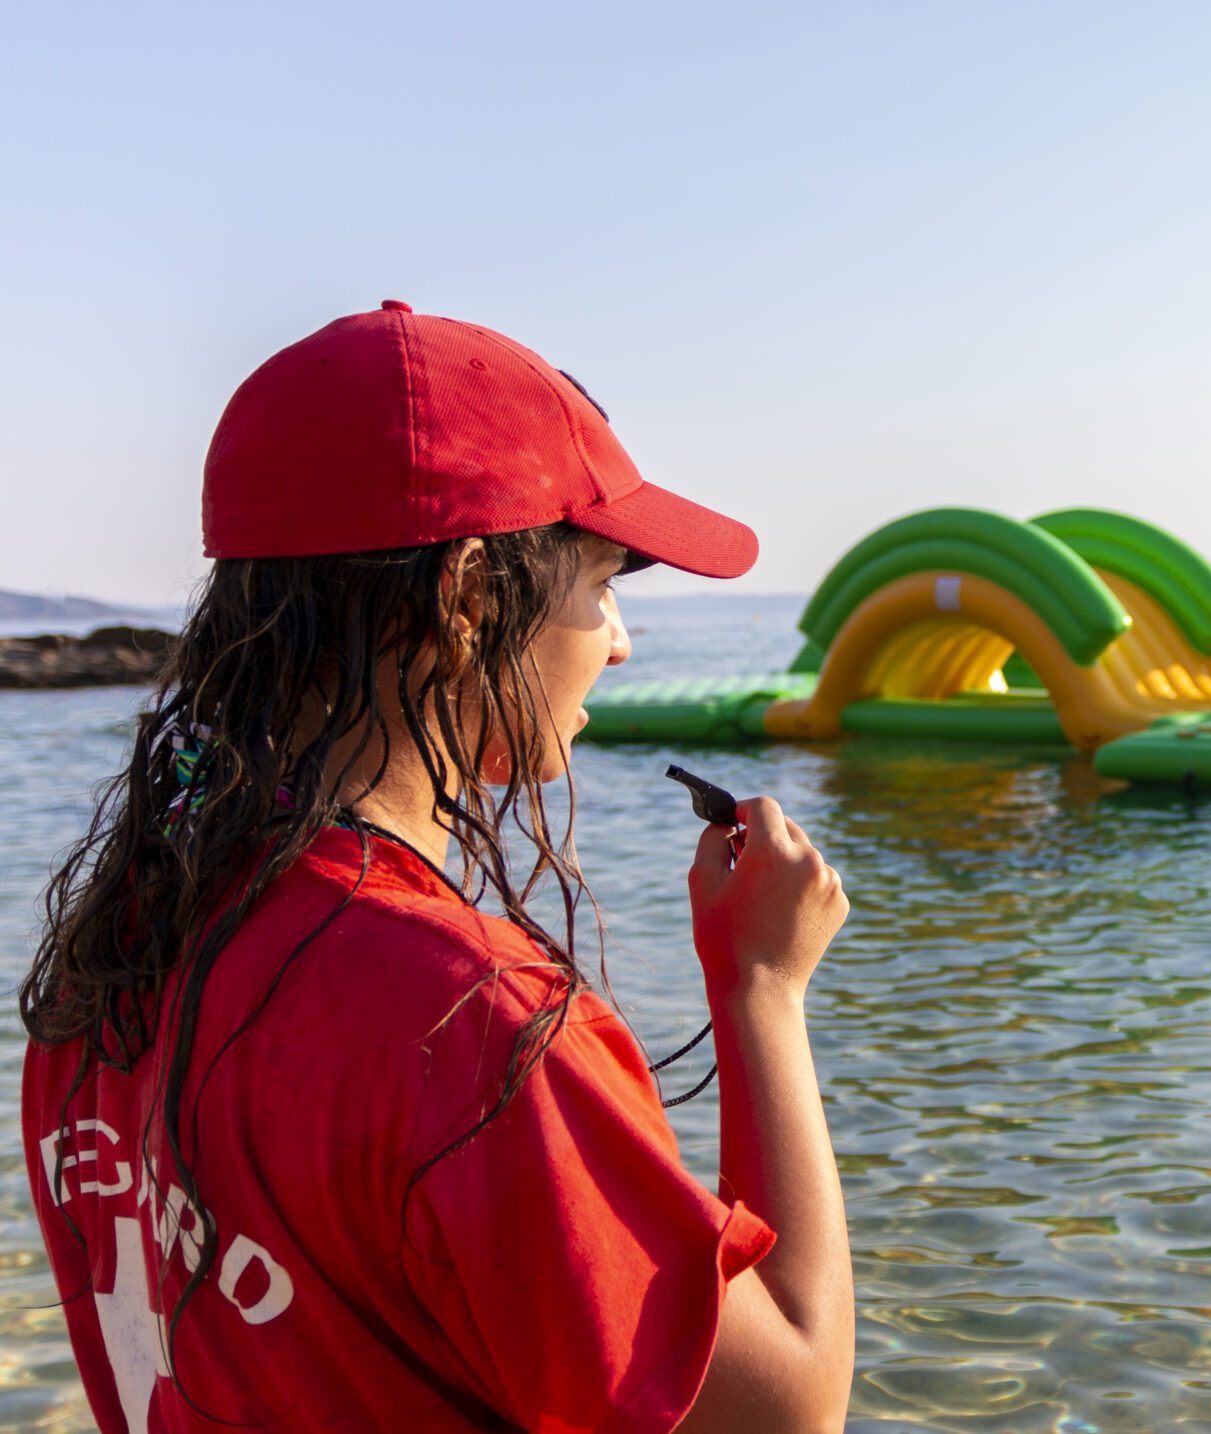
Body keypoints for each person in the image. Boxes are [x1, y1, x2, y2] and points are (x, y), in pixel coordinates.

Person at [17, 302, 857, 1431]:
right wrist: (761, 988)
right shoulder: (472, 1029)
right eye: (603, 583)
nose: (619, 642)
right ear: (468, 598)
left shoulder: (108, 960)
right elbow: (788, 1409)